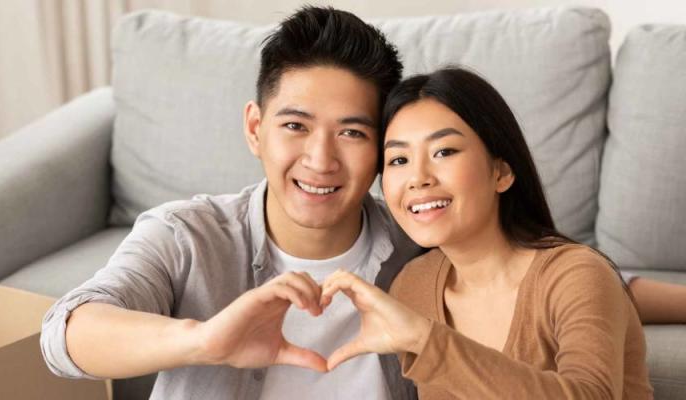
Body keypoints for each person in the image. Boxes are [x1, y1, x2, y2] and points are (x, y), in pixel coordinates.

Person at [41, 6, 423, 400]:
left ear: (381, 146)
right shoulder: (185, 235)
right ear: (255, 129)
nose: (320, 161)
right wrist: (204, 340)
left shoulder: (419, 245)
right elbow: (64, 336)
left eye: (351, 133)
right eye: (296, 126)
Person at [316, 67, 653, 399]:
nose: (418, 177)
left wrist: (427, 341)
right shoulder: (413, 285)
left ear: (501, 172)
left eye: (444, 152)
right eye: (399, 160)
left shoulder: (574, 274)